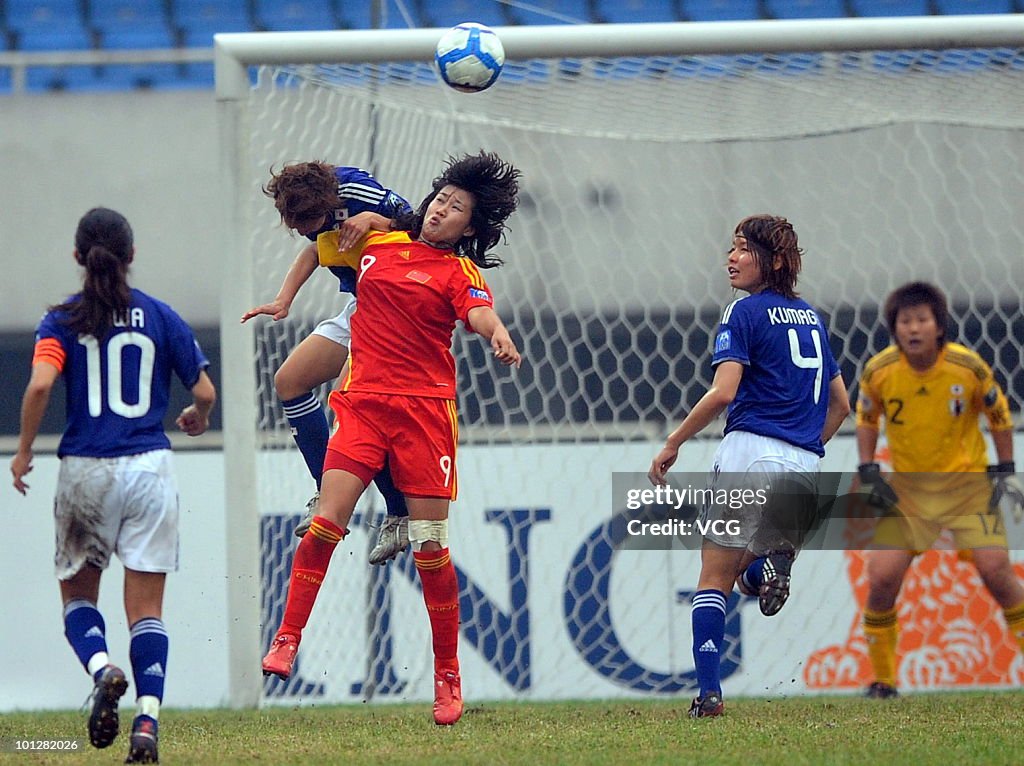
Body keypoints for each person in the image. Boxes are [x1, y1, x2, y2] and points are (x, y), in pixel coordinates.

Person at [260, 151, 522, 726]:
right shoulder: (373, 245)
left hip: (426, 416)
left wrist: (498, 332)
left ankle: (448, 678)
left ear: (469, 228)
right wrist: (287, 297)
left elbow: (479, 313)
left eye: (456, 209)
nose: (441, 210)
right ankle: (285, 637)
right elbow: (320, 246)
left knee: (431, 551)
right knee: (326, 521)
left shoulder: (460, 272)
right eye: (440, 200)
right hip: (363, 405)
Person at [9, 208, 216, 764]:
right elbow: (205, 390)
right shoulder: (161, 315)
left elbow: (38, 388)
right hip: (151, 468)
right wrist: (195, 414)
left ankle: (103, 671)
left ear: (78, 257)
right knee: (147, 610)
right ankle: (147, 721)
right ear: (131, 256)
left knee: (79, 598)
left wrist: (26, 450)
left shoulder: (62, 321)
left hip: (87, 471)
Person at [648, 214, 850, 718]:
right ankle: (766, 567)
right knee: (742, 573)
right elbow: (842, 405)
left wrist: (673, 442)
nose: (730, 258)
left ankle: (710, 694)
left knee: (713, 577)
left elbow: (724, 392)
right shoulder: (812, 318)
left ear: (774, 260)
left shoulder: (743, 311)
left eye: (742, 248)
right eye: (731, 248)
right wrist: (804, 445)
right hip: (804, 462)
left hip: (749, 450)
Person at [855, 281, 1024, 699]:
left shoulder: (967, 368)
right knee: (881, 577)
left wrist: (1006, 471)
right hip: (909, 493)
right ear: (894, 328)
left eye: (921, 320)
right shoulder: (879, 370)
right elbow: (866, 417)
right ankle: (883, 681)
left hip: (967, 489)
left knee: (997, 573)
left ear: (939, 326)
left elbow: (999, 414)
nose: (913, 328)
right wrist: (868, 466)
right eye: (904, 321)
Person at [241, 161, 414, 563]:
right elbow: (315, 251)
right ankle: (328, 490)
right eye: (296, 222)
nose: (304, 228)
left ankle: (399, 511)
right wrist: (285, 300)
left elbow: (421, 228)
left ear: (330, 200)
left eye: (310, 220)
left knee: (348, 400)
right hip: (362, 306)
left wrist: (374, 220)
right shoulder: (313, 217)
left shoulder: (360, 194)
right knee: (290, 381)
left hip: (395, 311)